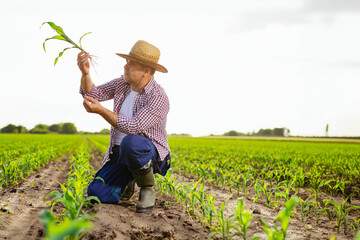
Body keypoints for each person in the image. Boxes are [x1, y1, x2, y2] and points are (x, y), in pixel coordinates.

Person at [77, 40, 171, 213]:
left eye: (131, 64)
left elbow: (134, 127)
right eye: (127, 62)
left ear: (146, 71)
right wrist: (85, 73)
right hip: (121, 153)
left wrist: (101, 111)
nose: (125, 66)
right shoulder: (122, 83)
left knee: (131, 143)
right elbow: (93, 93)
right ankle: (129, 178)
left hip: (150, 155)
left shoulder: (158, 97)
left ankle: (147, 187)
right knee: (97, 193)